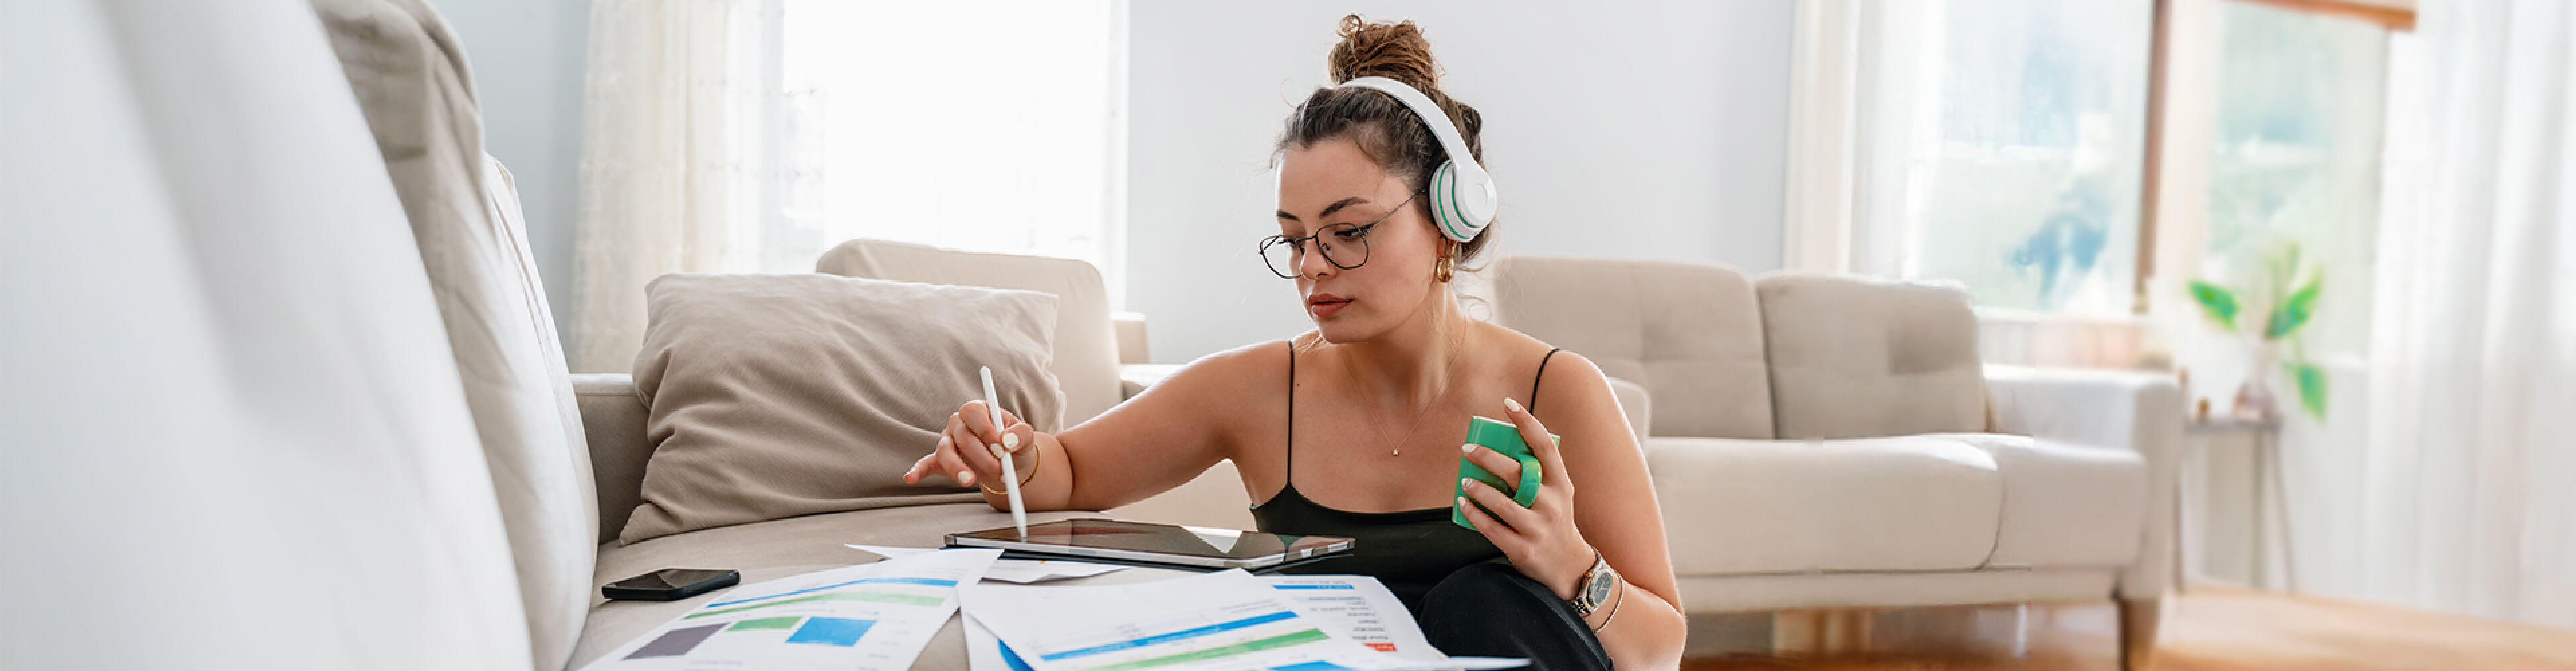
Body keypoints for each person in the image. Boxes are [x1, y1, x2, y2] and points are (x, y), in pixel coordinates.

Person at [902, 15, 1685, 669]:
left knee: (1482, 603)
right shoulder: (1256, 389)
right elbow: (1069, 472)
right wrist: (1010, 452)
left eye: (1347, 232)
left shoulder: (1557, 393)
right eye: (1295, 239)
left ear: (1449, 221)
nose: (1313, 268)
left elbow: (1661, 646)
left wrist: (1572, 566)